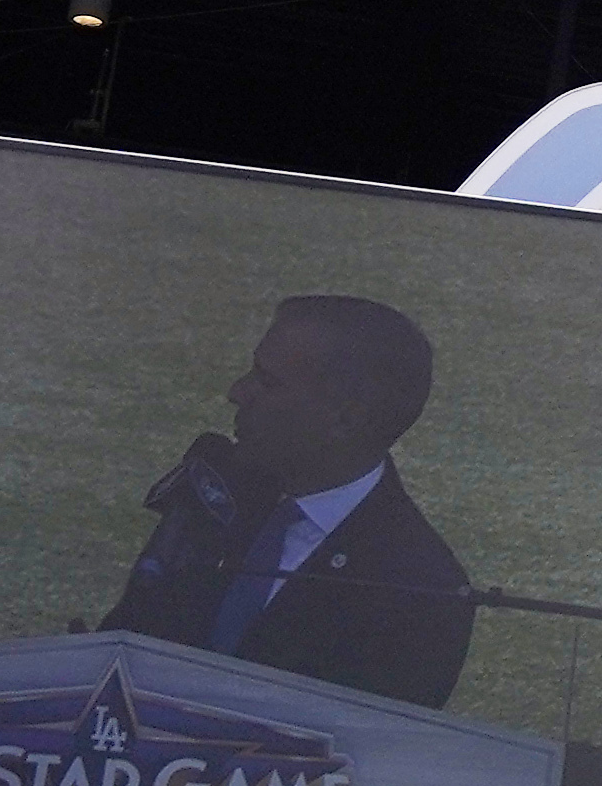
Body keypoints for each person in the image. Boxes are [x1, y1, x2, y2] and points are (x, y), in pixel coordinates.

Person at [102, 294, 475, 704]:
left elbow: (359, 739)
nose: (237, 392)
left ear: (345, 419)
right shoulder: (216, 493)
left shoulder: (419, 593)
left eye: (267, 382)